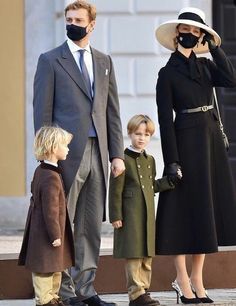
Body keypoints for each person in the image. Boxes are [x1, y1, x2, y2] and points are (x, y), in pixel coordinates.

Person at [33, 1, 125, 305]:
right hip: (64, 155)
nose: (72, 23)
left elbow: (112, 111)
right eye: (69, 19)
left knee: (89, 224)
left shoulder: (104, 61)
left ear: (92, 24)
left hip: (98, 153)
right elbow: (42, 112)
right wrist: (47, 156)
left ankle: (87, 289)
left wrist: (117, 154)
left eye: (78, 19)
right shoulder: (50, 61)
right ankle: (66, 290)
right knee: (63, 222)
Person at [154, 6, 236, 304]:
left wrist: (215, 48)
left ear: (201, 35)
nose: (189, 34)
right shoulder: (166, 74)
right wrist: (171, 161)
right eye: (185, 30)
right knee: (181, 213)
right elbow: (164, 121)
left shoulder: (205, 67)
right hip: (185, 144)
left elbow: (230, 79)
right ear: (177, 34)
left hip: (210, 142)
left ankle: (198, 279)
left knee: (205, 213)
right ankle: (181, 279)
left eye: (195, 31)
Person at [109, 115, 179, 306]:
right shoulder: (122, 159)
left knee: (146, 255)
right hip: (130, 215)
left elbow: (150, 186)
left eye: (146, 134)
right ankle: (136, 294)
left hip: (147, 215)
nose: (142, 138)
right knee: (134, 255)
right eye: (137, 133)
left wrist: (168, 182)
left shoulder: (150, 160)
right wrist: (115, 215)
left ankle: (144, 291)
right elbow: (115, 190)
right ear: (129, 134)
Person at [18, 126, 74, 306]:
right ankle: (45, 300)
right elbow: (50, 210)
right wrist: (55, 235)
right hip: (47, 233)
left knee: (55, 266)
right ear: (52, 148)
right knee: (45, 269)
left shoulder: (43, 170)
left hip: (44, 231)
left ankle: (52, 297)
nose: (68, 149)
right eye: (65, 145)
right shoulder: (50, 176)